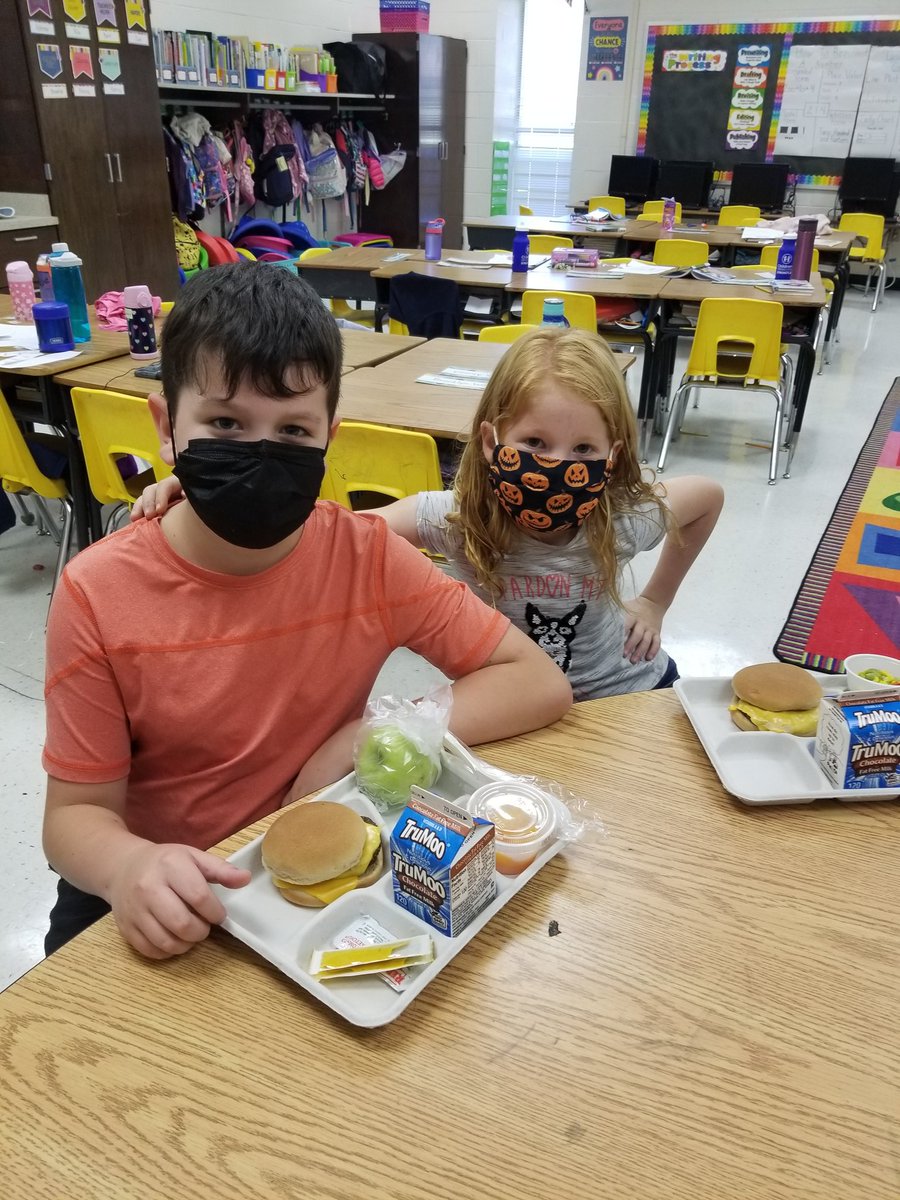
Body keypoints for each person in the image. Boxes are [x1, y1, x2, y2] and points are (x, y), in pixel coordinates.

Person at [43, 264, 572, 961]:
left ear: (331, 435)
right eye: (226, 423)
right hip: (153, 891)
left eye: (293, 431)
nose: (261, 455)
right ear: (168, 427)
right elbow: (74, 817)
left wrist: (358, 736)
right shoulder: (96, 594)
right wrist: (124, 867)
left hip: (307, 881)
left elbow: (536, 681)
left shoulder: (365, 557)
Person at [137, 326, 723, 701]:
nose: (556, 465)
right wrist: (210, 487)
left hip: (628, 696)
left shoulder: (619, 519)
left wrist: (655, 600)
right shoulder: (457, 518)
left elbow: (707, 498)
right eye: (536, 443)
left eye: (583, 452)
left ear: (612, 456)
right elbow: (334, 532)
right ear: (492, 443)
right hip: (509, 708)